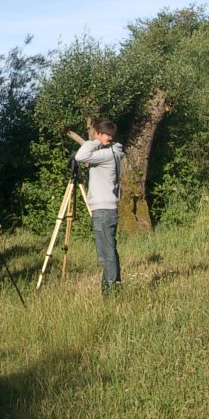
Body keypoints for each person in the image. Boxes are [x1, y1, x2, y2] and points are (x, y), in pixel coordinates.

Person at [74, 119, 124, 294]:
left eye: (98, 134)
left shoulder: (105, 153)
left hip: (102, 209)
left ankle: (111, 290)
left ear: (99, 134)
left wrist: (94, 142)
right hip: (109, 207)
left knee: (106, 253)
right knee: (110, 248)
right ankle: (113, 284)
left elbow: (79, 156)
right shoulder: (114, 151)